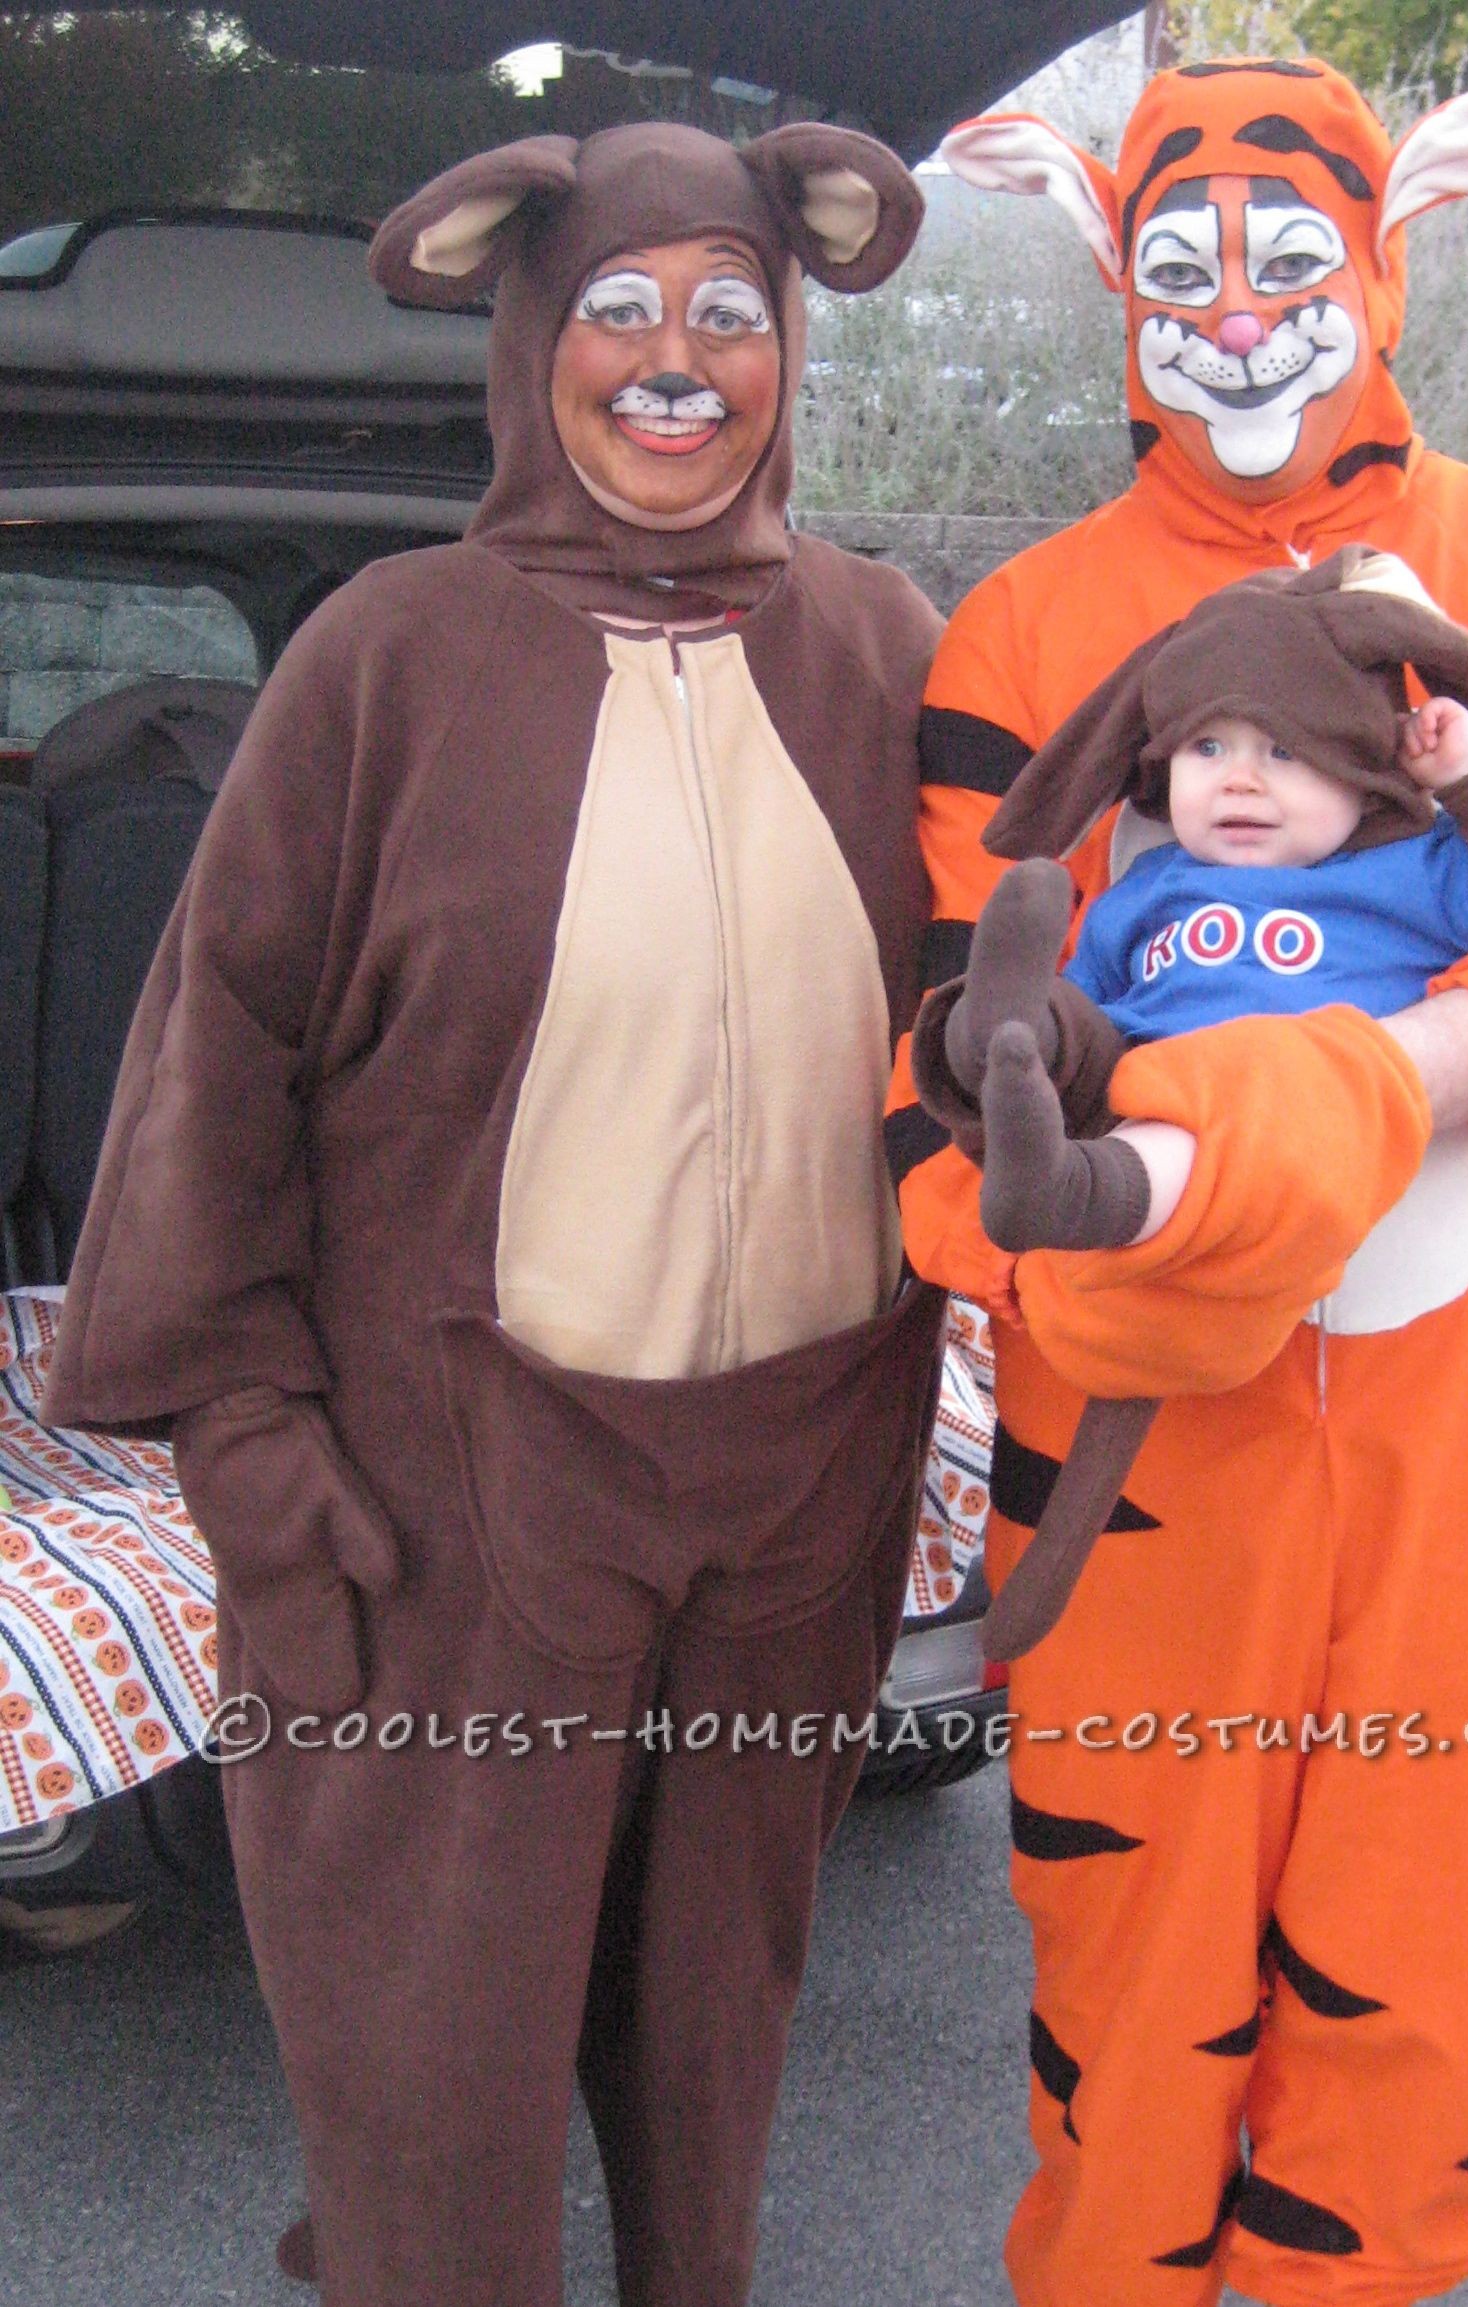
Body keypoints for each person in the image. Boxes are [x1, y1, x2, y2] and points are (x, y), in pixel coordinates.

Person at [41, 121, 947, 2307]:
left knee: (721, 1983)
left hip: (809, 1452)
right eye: (621, 307)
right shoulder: (391, 650)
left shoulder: (884, 635)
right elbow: (211, 1059)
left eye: (727, 312)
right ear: (530, 327)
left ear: (791, 338)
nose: (674, 361)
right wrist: (246, 1428)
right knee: (436, 1998)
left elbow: (997, 968)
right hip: (469, 1454)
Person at [886, 59, 1468, 2307]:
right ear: (1112, 275)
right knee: (1129, 2007)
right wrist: (1061, 1234)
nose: (1245, 311)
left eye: (1292, 256)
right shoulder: (1024, 634)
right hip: (1145, 1451)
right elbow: (939, 1060)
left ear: (1384, 253)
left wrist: (1371, 1083)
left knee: (1418, 2009)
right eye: (1185, 264)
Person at [937, 549, 1468, 1258]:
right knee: (1070, 1039)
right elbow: (1096, 994)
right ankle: (993, 1040)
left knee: (1194, 1129)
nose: (1240, 782)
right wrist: (1055, 1033)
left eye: (1284, 752)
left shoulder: (1415, 868)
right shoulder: (1151, 884)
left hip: (1283, 1122)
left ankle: (1067, 1190)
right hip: (1140, 1079)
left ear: (1362, 769)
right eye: (1209, 748)